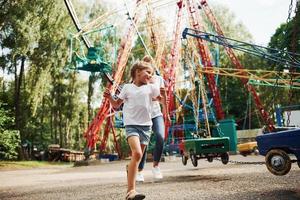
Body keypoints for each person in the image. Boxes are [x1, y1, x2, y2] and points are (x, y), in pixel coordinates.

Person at [104, 60, 160, 200]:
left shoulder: (150, 88)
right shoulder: (127, 88)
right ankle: (131, 191)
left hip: (146, 127)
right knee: (137, 153)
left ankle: (131, 169)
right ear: (137, 72)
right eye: (147, 72)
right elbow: (116, 105)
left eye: (151, 73)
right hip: (131, 125)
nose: (149, 75)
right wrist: (110, 97)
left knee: (137, 158)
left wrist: (153, 78)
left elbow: (158, 92)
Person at [136, 56, 169, 182]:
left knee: (160, 136)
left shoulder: (159, 79)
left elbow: (161, 98)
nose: (149, 71)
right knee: (144, 142)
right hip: (144, 115)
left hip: (156, 114)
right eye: (146, 68)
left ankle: (156, 166)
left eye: (150, 67)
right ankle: (139, 171)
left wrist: (165, 112)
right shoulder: (140, 82)